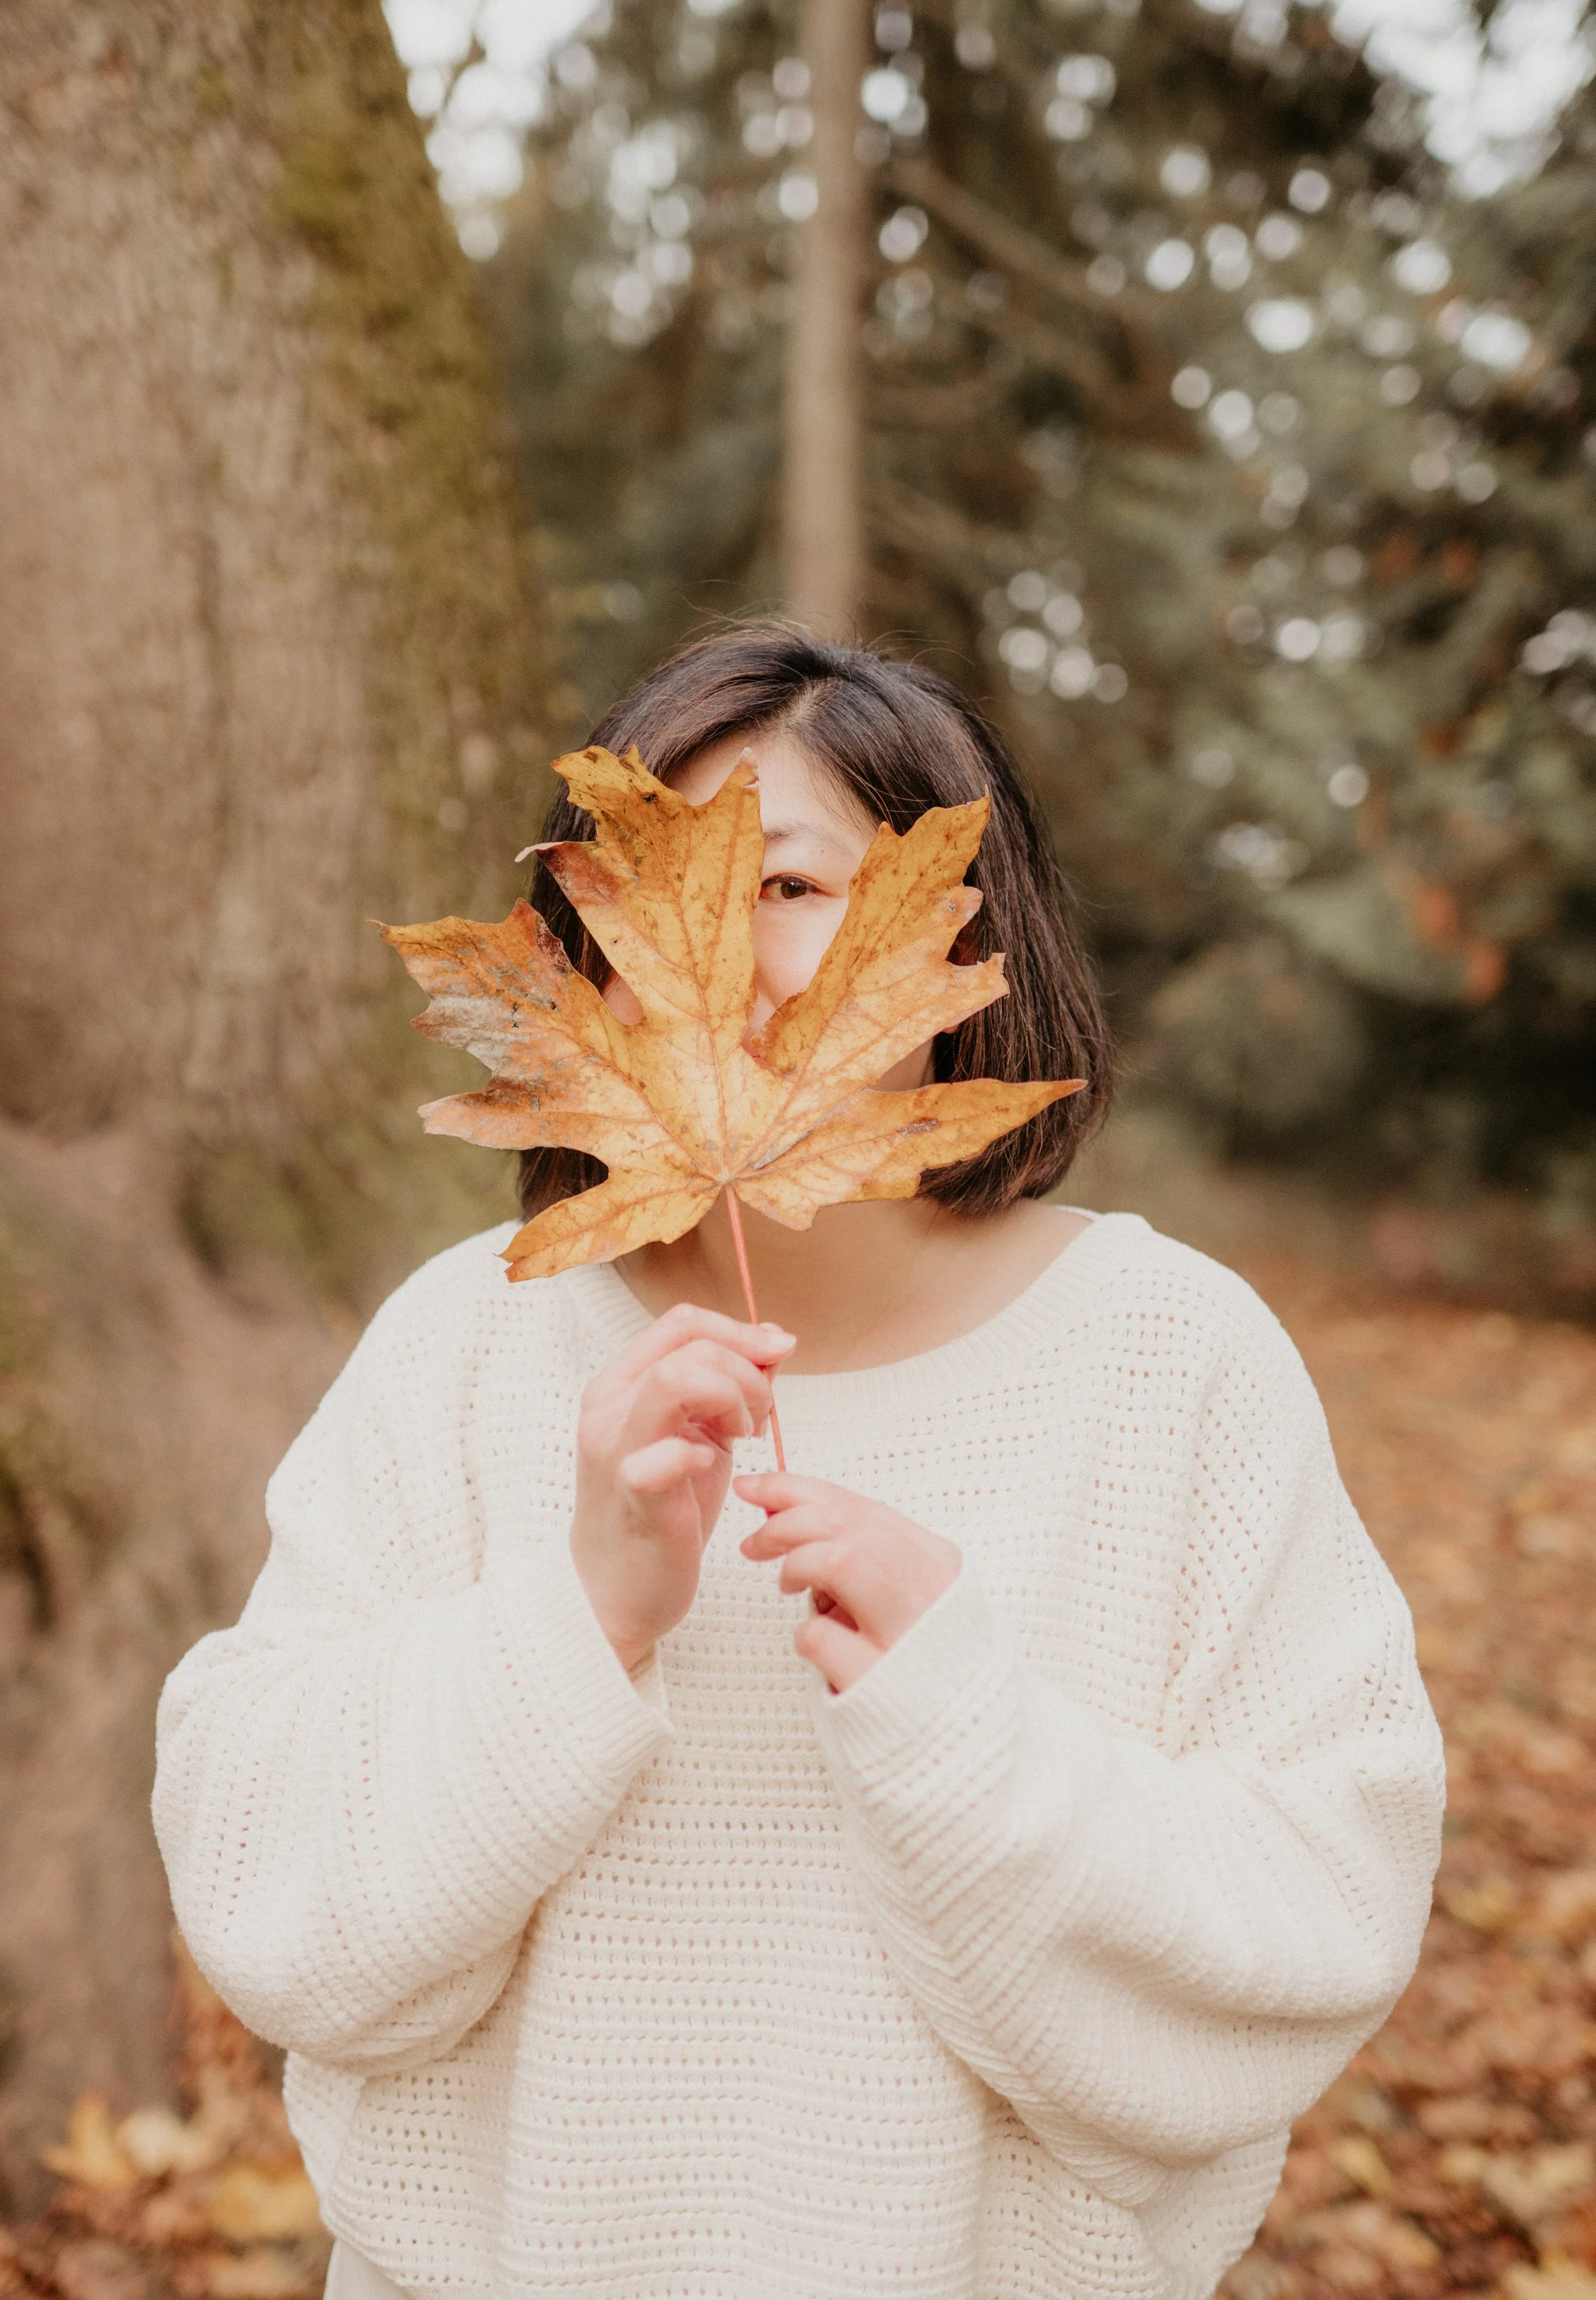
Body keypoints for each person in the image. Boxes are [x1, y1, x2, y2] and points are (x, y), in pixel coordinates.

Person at [154, 628, 1444, 2300]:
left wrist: (966, 1734)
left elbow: (1322, 1913)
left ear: (956, 931)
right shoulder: (469, 1341)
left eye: (786, 886)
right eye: (631, 904)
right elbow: (269, 1889)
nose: (713, 963)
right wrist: (577, 1615)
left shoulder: (1166, 1359)